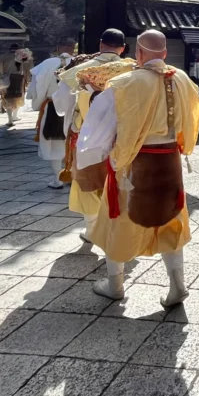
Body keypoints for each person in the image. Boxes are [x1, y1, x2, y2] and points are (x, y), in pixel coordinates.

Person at [78, 29, 199, 303]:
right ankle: (177, 285)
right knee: (170, 219)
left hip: (134, 162)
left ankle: (115, 286)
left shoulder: (124, 84)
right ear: (166, 53)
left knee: (118, 220)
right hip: (170, 161)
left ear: (139, 53)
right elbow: (194, 114)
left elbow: (99, 129)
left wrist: (93, 158)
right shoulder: (183, 79)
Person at [51, 28, 134, 242]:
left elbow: (61, 104)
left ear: (100, 45)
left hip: (87, 137)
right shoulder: (133, 70)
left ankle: (92, 230)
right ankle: (120, 228)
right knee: (121, 181)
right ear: (122, 48)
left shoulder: (78, 70)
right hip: (122, 137)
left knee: (87, 182)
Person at [28, 39, 74, 188]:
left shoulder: (47, 63)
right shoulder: (80, 63)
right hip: (74, 108)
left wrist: (38, 102)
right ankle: (72, 176)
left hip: (53, 107)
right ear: (73, 48)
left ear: (58, 47)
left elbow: (36, 87)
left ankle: (58, 179)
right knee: (74, 143)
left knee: (55, 145)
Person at [0, 44, 33, 127]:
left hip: (6, 79)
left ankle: (10, 119)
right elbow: (29, 65)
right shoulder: (22, 55)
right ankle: (15, 116)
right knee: (18, 98)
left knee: (7, 98)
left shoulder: (4, 57)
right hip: (19, 78)